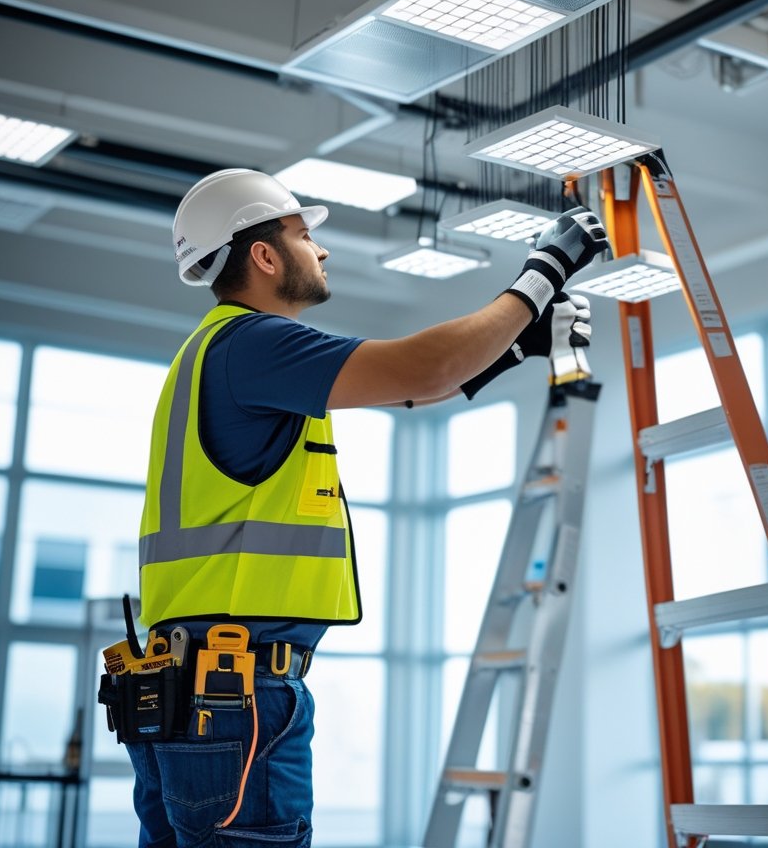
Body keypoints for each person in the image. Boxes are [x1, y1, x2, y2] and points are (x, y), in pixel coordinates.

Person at [127, 167, 608, 847]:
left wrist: (512, 350)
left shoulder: (214, 352)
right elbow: (422, 370)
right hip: (235, 699)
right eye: (301, 235)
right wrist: (544, 271)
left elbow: (410, 390)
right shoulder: (254, 343)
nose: (319, 251)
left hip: (189, 694)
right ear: (263, 256)